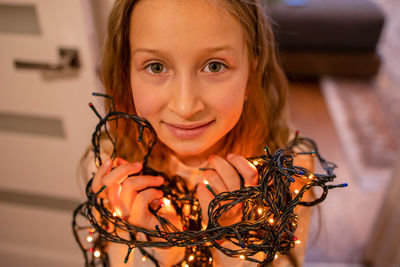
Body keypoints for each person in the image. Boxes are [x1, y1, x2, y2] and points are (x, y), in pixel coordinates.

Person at [85, 0, 315, 266]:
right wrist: (155, 247)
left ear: (251, 73)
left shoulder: (290, 175)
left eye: (214, 66)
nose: (185, 106)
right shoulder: (108, 170)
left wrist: (232, 238)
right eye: (156, 66)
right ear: (127, 75)